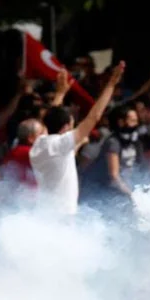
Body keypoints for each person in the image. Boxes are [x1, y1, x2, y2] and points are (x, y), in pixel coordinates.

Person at [30, 63, 123, 215]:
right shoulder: (61, 144)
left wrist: (60, 94)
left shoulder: (38, 144)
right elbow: (94, 117)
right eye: (72, 125)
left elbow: (50, 120)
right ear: (66, 128)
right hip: (62, 217)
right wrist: (111, 85)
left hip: (44, 214)